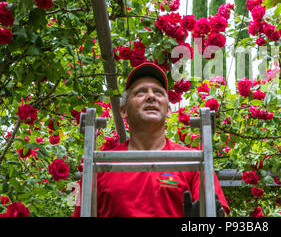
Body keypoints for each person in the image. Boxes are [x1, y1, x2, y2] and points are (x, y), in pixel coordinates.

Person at [72, 62, 229, 217]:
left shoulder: (195, 163)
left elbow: (220, 213)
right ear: (123, 110)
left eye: (158, 92)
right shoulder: (98, 166)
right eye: (140, 92)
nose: (151, 96)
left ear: (168, 110)